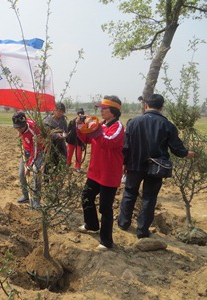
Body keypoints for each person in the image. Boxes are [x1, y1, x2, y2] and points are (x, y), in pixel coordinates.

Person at [117, 94, 195, 239]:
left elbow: (126, 147)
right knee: (149, 197)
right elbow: (177, 149)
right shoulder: (167, 125)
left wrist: (124, 163)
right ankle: (142, 230)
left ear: (146, 105)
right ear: (161, 107)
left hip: (134, 165)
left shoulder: (133, 122)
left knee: (129, 193)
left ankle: (123, 223)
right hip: (157, 167)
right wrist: (187, 154)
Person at [77, 96, 125, 250]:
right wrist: (81, 127)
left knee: (105, 208)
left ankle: (106, 241)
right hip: (95, 171)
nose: (101, 111)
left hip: (109, 174)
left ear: (114, 111)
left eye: (104, 108)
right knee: (86, 197)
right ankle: (91, 224)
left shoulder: (118, 127)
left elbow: (107, 142)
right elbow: (88, 139)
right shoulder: (101, 125)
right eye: (101, 108)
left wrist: (94, 128)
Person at [12, 111, 45, 208]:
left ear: (25, 124)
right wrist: (20, 134)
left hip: (37, 152)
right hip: (26, 151)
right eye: (17, 127)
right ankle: (26, 196)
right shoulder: (21, 128)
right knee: (21, 173)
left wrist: (29, 167)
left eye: (20, 127)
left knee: (36, 174)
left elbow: (35, 152)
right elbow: (21, 131)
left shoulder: (33, 132)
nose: (19, 129)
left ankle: (36, 201)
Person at [43, 102, 68, 174]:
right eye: (59, 111)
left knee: (59, 167)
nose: (60, 113)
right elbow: (47, 133)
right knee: (47, 167)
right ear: (54, 110)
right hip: (50, 147)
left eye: (62, 112)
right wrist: (57, 136)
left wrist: (65, 134)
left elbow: (66, 131)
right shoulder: (47, 121)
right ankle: (46, 182)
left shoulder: (63, 121)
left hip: (61, 147)